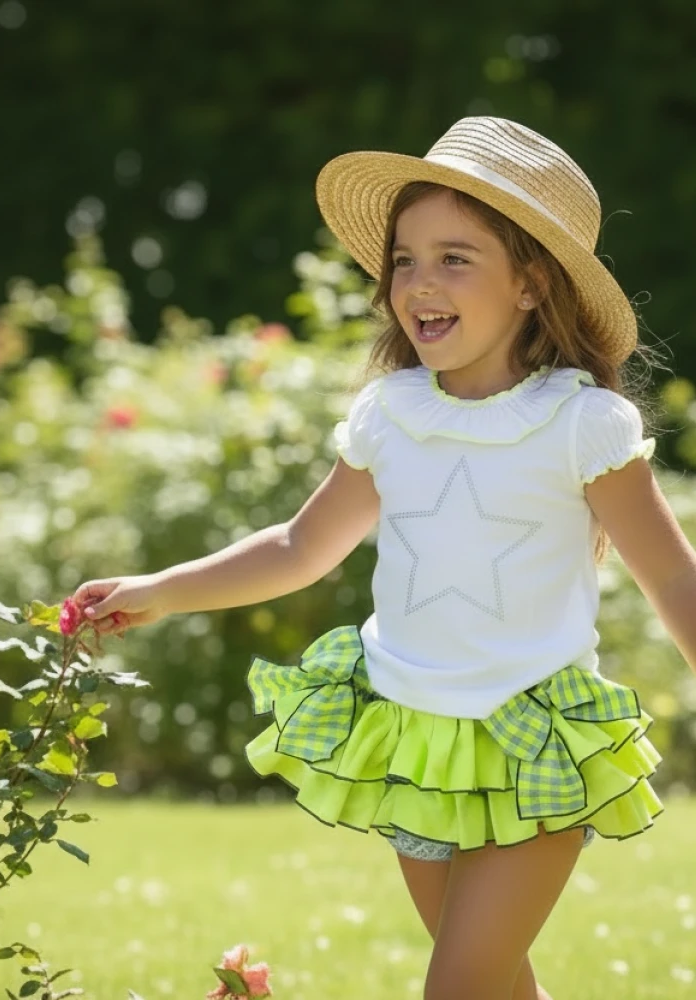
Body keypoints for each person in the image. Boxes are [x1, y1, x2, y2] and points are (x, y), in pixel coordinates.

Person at [72, 117, 696, 1000]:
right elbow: (300, 546)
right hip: (410, 740)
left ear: (530, 284)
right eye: (404, 259)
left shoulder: (580, 423)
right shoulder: (392, 414)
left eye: (454, 258)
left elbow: (670, 575)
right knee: (497, 989)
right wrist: (162, 591)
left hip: (532, 746)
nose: (419, 282)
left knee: (458, 987)